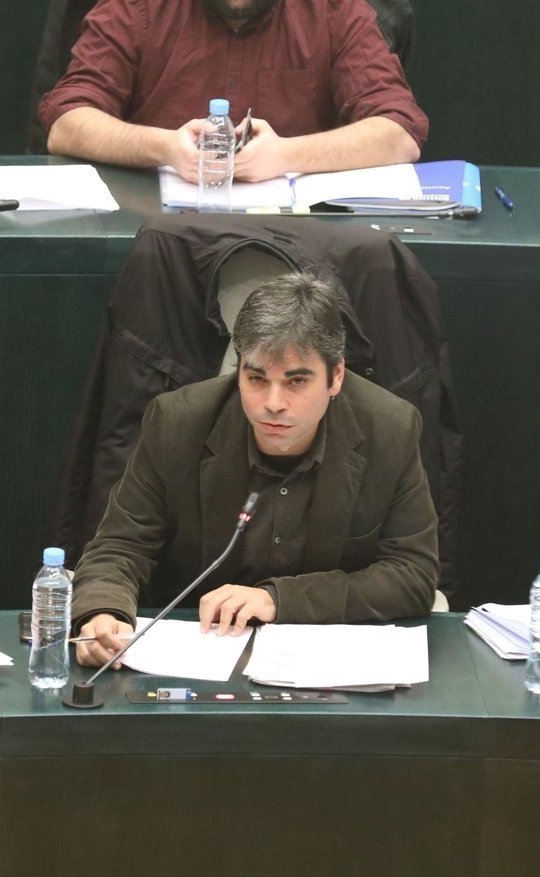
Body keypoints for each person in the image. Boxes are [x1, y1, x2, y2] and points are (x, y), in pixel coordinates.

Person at [72, 271, 439, 668]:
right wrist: (103, 612)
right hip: (195, 653)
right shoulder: (177, 423)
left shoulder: (389, 428)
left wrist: (278, 599)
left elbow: (412, 575)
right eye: (256, 378)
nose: (273, 403)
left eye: (296, 381)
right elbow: (121, 547)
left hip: (329, 663)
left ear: (336, 377)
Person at [39, 0, 428, 183]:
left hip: (298, 248)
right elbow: (67, 122)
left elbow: (399, 133)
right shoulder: (136, 8)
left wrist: (286, 155)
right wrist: (166, 148)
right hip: (153, 235)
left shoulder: (334, 11)